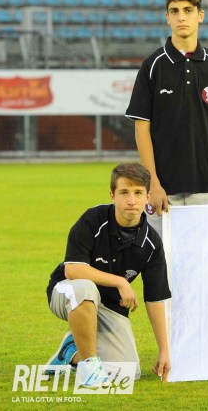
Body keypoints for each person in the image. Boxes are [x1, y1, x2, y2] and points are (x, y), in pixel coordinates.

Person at [125, 0, 208, 236]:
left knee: (204, 258)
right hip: (163, 190)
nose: (181, 17)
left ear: (200, 15)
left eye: (188, 10)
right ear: (167, 17)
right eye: (175, 11)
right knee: (162, 259)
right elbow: (141, 129)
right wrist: (153, 184)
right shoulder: (152, 66)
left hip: (207, 186)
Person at [44, 162, 171, 386]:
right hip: (67, 292)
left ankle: (72, 352)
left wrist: (164, 350)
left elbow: (155, 298)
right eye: (124, 192)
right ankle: (89, 368)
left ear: (147, 197)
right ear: (112, 195)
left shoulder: (152, 243)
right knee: (85, 288)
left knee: (128, 372)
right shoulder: (93, 219)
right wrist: (120, 282)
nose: (131, 200)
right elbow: (73, 269)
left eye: (138, 193)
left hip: (109, 307)